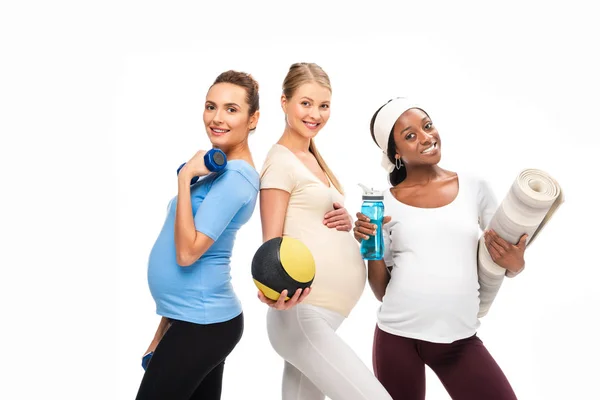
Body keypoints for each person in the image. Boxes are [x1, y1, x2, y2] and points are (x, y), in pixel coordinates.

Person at [353, 97, 527, 400]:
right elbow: (382, 292)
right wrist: (373, 244)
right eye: (410, 136)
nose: (426, 137)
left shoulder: (475, 186)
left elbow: (504, 255)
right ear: (396, 153)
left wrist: (517, 263)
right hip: (397, 338)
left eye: (427, 126)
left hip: (459, 341)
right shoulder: (383, 203)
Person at [258, 62, 393, 400]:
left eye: (323, 105)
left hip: (322, 315)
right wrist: (272, 291)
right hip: (301, 314)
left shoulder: (314, 159)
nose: (315, 113)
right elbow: (271, 246)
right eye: (306, 103)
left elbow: (311, 219)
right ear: (284, 102)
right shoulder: (280, 161)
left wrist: (348, 224)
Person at [135, 70, 261, 400]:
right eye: (211, 106)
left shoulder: (236, 178)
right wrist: (163, 331)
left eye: (231, 109)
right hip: (192, 320)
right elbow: (185, 273)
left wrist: (185, 175)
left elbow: (187, 254)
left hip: (203, 325)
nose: (217, 118)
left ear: (253, 119)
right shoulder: (216, 175)